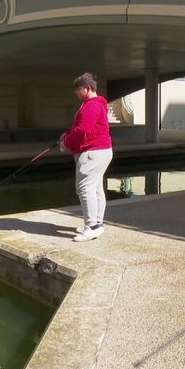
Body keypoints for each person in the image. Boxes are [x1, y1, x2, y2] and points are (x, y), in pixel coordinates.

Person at [60, 72, 113, 242]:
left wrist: (66, 142)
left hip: (92, 153)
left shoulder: (91, 105)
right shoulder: (96, 104)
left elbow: (83, 131)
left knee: (84, 187)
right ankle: (97, 224)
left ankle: (92, 227)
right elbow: (81, 127)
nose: (76, 92)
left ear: (88, 88)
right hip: (102, 151)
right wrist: (67, 135)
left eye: (78, 89)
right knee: (95, 188)